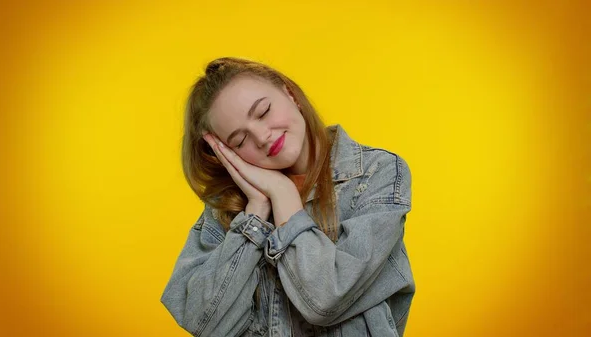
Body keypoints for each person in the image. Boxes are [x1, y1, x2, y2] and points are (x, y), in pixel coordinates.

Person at [160, 56, 415, 337]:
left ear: (289, 93)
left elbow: (327, 300)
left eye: (263, 111)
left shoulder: (376, 173)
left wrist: (283, 196)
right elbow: (204, 323)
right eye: (240, 141)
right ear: (226, 155)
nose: (261, 137)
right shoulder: (232, 207)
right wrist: (256, 213)